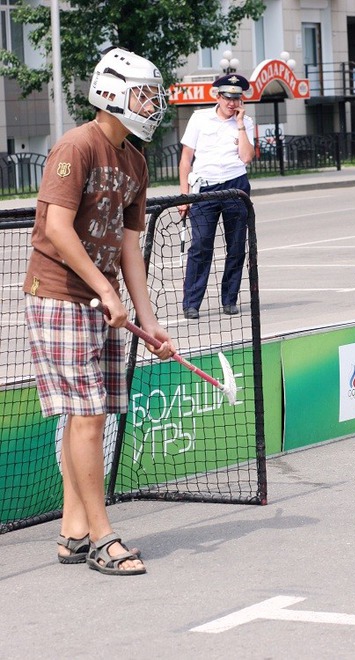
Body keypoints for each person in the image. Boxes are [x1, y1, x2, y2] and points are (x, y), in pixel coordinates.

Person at [22, 47, 175, 576]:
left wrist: (146, 317)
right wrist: (104, 291)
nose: (152, 104)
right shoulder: (75, 146)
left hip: (99, 301)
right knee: (86, 414)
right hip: (59, 297)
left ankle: (72, 533)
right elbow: (57, 229)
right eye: (144, 94)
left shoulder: (135, 160)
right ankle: (104, 536)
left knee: (90, 414)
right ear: (111, 92)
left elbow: (131, 247)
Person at [177, 73, 255, 320]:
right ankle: (192, 303)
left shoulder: (246, 122)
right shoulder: (200, 118)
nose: (232, 103)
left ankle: (229, 299)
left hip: (235, 186)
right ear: (217, 96)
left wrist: (240, 125)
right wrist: (184, 195)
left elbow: (246, 157)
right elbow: (186, 159)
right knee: (201, 245)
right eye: (227, 98)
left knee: (236, 246)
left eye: (236, 98)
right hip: (205, 188)